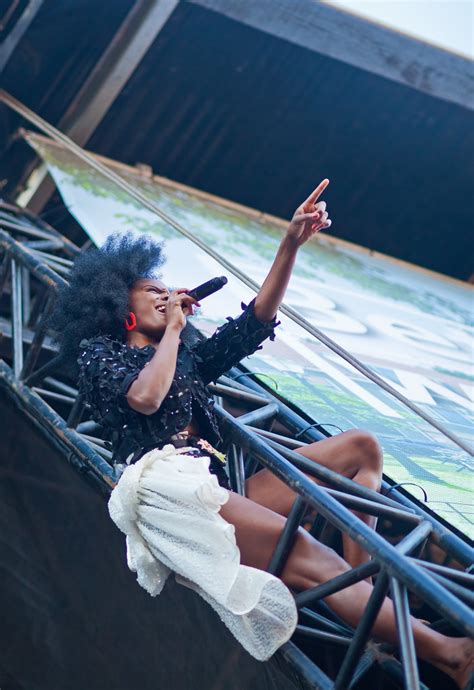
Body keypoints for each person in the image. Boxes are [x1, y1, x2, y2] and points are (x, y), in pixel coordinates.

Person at [53, 180, 472, 684]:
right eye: (154, 294)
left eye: (170, 292)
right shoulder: (102, 354)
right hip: (169, 491)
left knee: (361, 448)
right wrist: (175, 333)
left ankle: (374, 597)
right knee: (313, 558)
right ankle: (452, 653)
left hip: (217, 488)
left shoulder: (183, 356)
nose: (168, 298)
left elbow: (255, 321)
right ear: (123, 312)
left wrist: (290, 243)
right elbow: (145, 396)